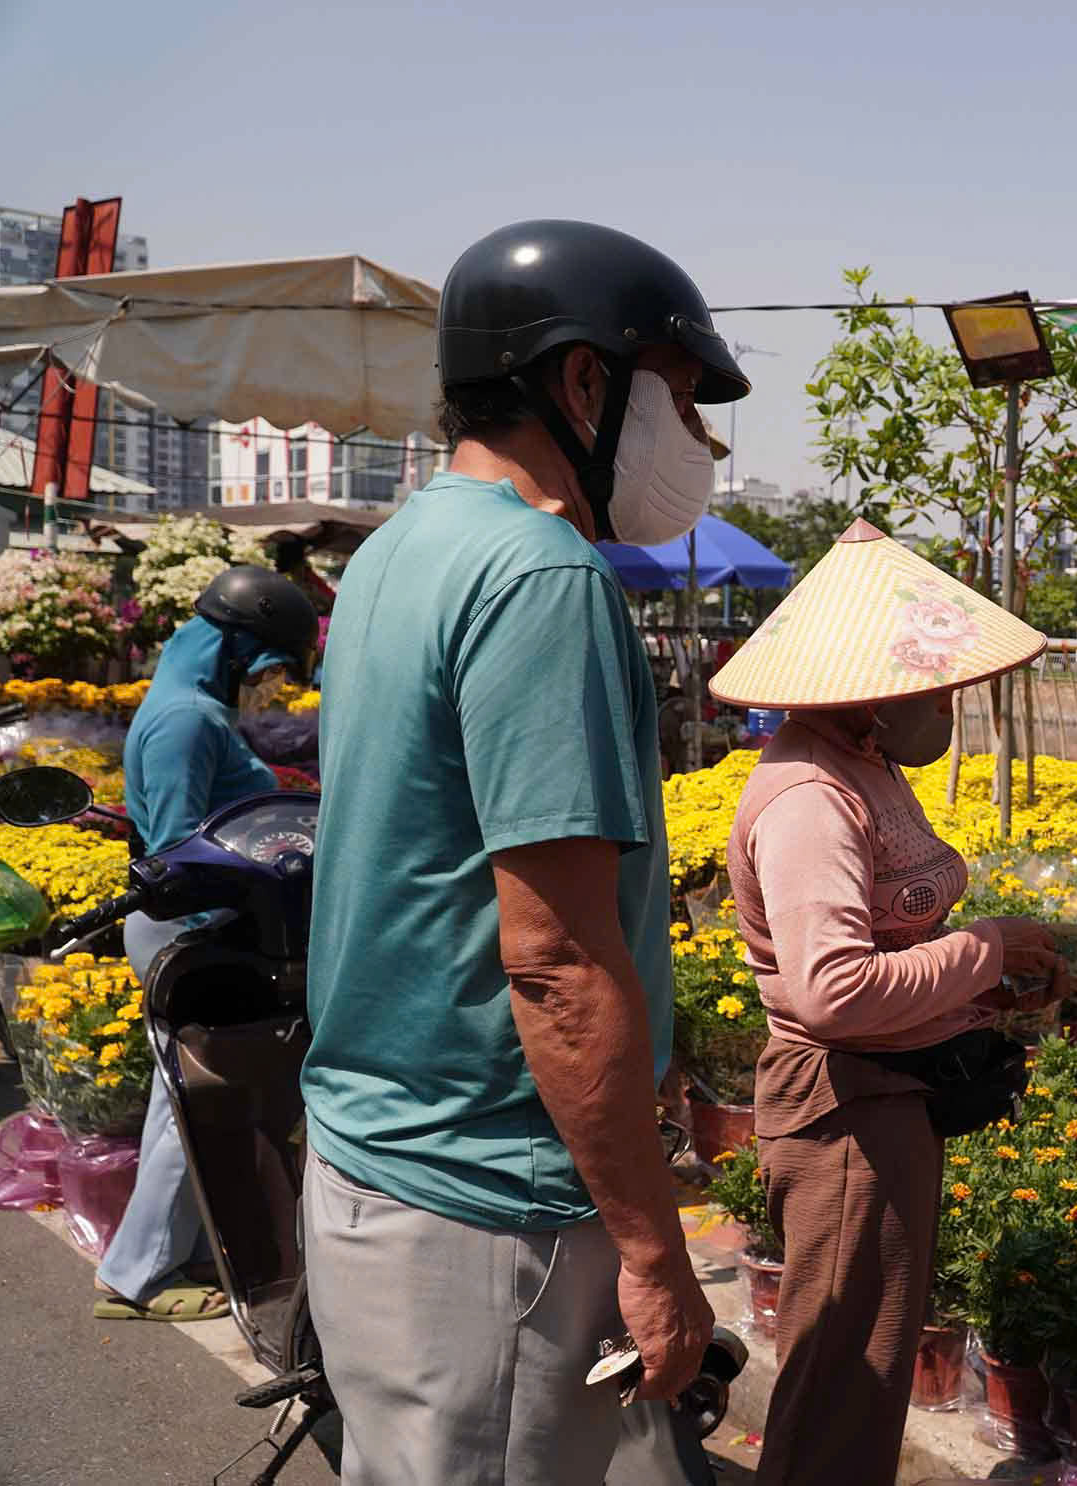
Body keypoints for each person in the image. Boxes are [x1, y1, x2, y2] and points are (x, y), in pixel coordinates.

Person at [301, 219, 749, 1485]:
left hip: (379, 1160)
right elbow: (553, 958)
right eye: (678, 396)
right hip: (487, 1207)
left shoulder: (400, 551)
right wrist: (656, 1255)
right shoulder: (541, 577)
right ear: (585, 380)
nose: (698, 443)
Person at [709, 523, 1062, 1486]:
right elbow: (833, 992)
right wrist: (981, 951)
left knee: (867, 1357)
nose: (947, 698)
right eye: (934, 680)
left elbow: (886, 936)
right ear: (867, 686)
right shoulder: (810, 797)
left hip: (885, 1101)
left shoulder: (863, 765)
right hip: (843, 1115)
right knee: (842, 1380)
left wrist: (987, 964)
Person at [93, 566, 318, 1322]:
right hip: (191, 930)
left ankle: (170, 1256)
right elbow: (178, 851)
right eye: (269, 667)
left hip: (196, 927)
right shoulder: (190, 718)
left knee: (187, 1097)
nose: (270, 687)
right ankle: (137, 1277)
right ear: (238, 649)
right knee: (186, 1101)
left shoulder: (183, 709)